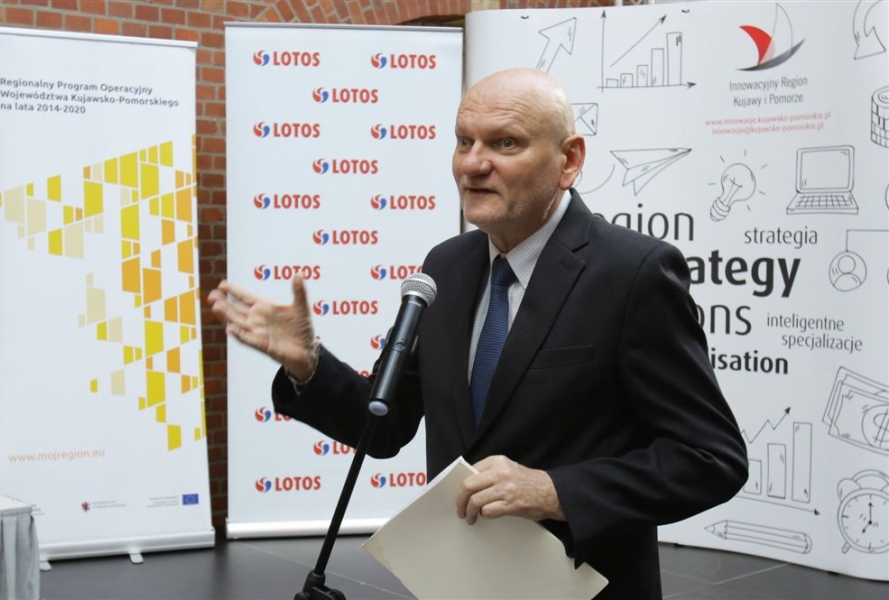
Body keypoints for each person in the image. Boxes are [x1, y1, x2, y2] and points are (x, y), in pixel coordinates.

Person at [208, 67, 748, 599]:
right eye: (464, 141)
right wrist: (309, 364)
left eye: (505, 143)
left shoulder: (633, 273)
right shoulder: (445, 267)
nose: (472, 163)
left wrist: (555, 491)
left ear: (569, 160)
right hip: (458, 584)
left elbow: (710, 459)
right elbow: (387, 423)